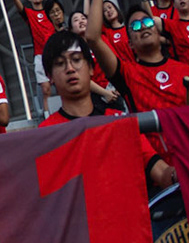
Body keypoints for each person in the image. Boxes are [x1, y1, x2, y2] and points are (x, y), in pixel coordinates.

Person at [38, 30, 173, 191]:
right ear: (50, 77)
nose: (70, 69)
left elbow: (161, 172)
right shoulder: (46, 133)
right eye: (60, 63)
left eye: (76, 60)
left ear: (91, 69)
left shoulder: (119, 121)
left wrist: (178, 175)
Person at [86, 0, 189, 116]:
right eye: (135, 26)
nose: (142, 27)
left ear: (157, 31)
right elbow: (92, 38)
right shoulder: (126, 73)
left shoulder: (186, 71)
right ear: (130, 43)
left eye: (148, 22)